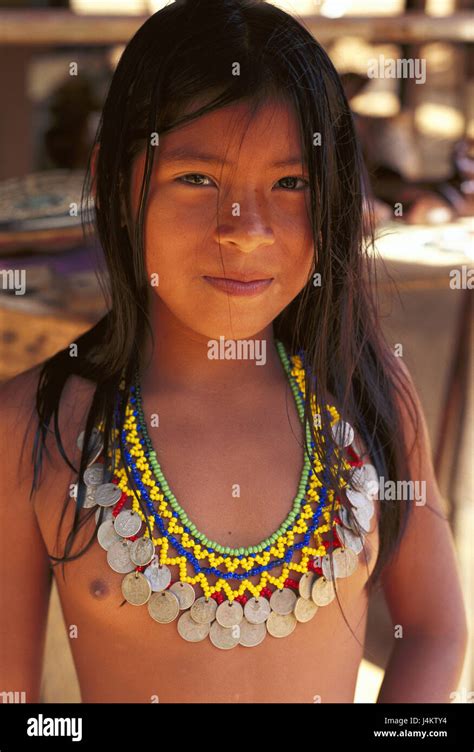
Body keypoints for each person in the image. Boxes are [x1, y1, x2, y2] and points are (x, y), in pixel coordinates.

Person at [0, 0, 467, 704]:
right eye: (197, 179)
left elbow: (433, 630)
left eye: (290, 183)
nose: (244, 231)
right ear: (111, 185)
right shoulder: (32, 427)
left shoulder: (369, 390)